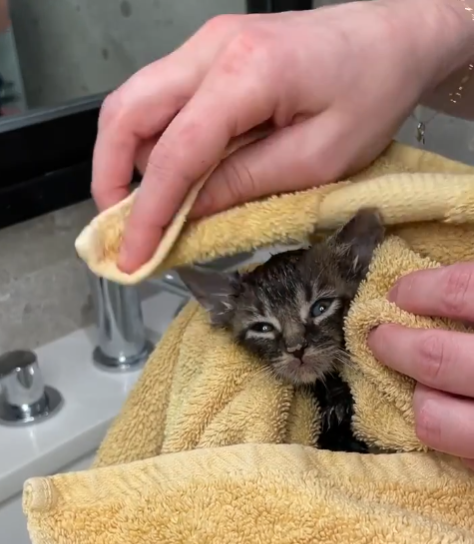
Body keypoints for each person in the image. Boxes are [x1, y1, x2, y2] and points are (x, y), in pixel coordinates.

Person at [91, 0, 474, 467]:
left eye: (319, 308)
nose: (295, 343)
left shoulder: (351, 270)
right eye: (264, 329)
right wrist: (438, 25)